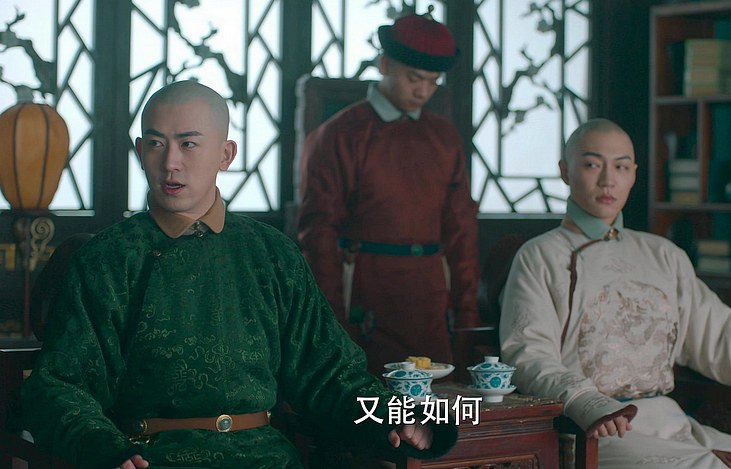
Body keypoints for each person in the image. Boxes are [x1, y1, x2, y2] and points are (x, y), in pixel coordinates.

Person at [20, 80, 456, 469]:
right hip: (152, 457)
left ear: (225, 154)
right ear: (139, 151)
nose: (170, 162)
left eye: (188, 144)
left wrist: (404, 418)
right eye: (155, 143)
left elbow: (330, 374)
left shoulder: (271, 253)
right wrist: (104, 450)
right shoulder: (108, 258)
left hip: (267, 458)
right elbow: (59, 386)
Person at [498, 118, 731, 468]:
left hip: (672, 423)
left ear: (634, 174)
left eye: (621, 167)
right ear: (565, 171)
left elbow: (723, 342)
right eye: (592, 165)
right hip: (593, 432)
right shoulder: (541, 256)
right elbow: (528, 355)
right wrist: (586, 402)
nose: (608, 180)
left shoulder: (663, 255)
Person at [297, 13, 480, 374]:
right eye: (413, 78)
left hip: (430, 296)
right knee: (372, 399)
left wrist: (467, 318)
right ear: (384, 65)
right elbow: (319, 235)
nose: (423, 91)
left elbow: (461, 229)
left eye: (432, 81)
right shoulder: (341, 134)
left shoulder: (444, 137)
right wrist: (333, 323)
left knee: (439, 398)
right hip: (367, 295)